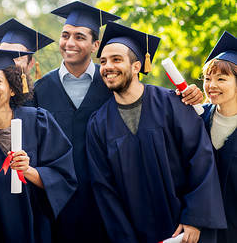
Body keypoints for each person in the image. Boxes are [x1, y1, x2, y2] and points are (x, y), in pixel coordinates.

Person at [29, 1, 203, 242]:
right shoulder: (40, 90)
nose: (70, 43)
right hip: (61, 206)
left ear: (95, 45)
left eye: (80, 37)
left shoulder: (113, 82)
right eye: (65, 35)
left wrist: (191, 95)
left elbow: (154, 109)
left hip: (115, 203)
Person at [86, 21, 227, 243]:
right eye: (103, 61)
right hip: (135, 234)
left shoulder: (174, 104)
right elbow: (104, 189)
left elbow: (201, 159)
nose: (107, 66)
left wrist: (194, 219)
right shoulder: (98, 124)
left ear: (136, 66)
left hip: (184, 232)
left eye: (116, 59)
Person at [0, 48, 77, 243]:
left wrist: (28, 171)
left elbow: (64, 176)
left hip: (39, 230)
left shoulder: (39, 122)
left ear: (12, 88)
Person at [200, 31, 237, 243]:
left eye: (221, 78)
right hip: (204, 228)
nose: (211, 85)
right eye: (207, 78)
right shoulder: (197, 116)